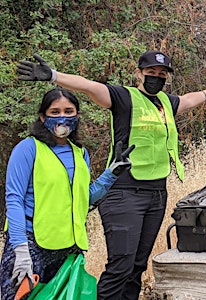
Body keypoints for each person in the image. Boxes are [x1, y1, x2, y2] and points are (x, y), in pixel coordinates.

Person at [16, 50, 206, 299]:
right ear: (139, 74)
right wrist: (54, 75)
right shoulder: (123, 98)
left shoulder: (165, 103)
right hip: (124, 192)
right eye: (151, 72)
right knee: (121, 266)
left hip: (156, 194)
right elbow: (89, 86)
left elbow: (188, 100)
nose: (156, 77)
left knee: (137, 267)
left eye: (162, 74)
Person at [0, 88, 132, 299]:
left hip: (67, 249)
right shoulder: (28, 149)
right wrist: (20, 250)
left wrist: (111, 175)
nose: (62, 117)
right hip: (32, 244)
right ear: (43, 117)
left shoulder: (80, 153)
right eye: (55, 112)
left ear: (77, 116)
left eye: (69, 111)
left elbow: (83, 199)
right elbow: (14, 199)